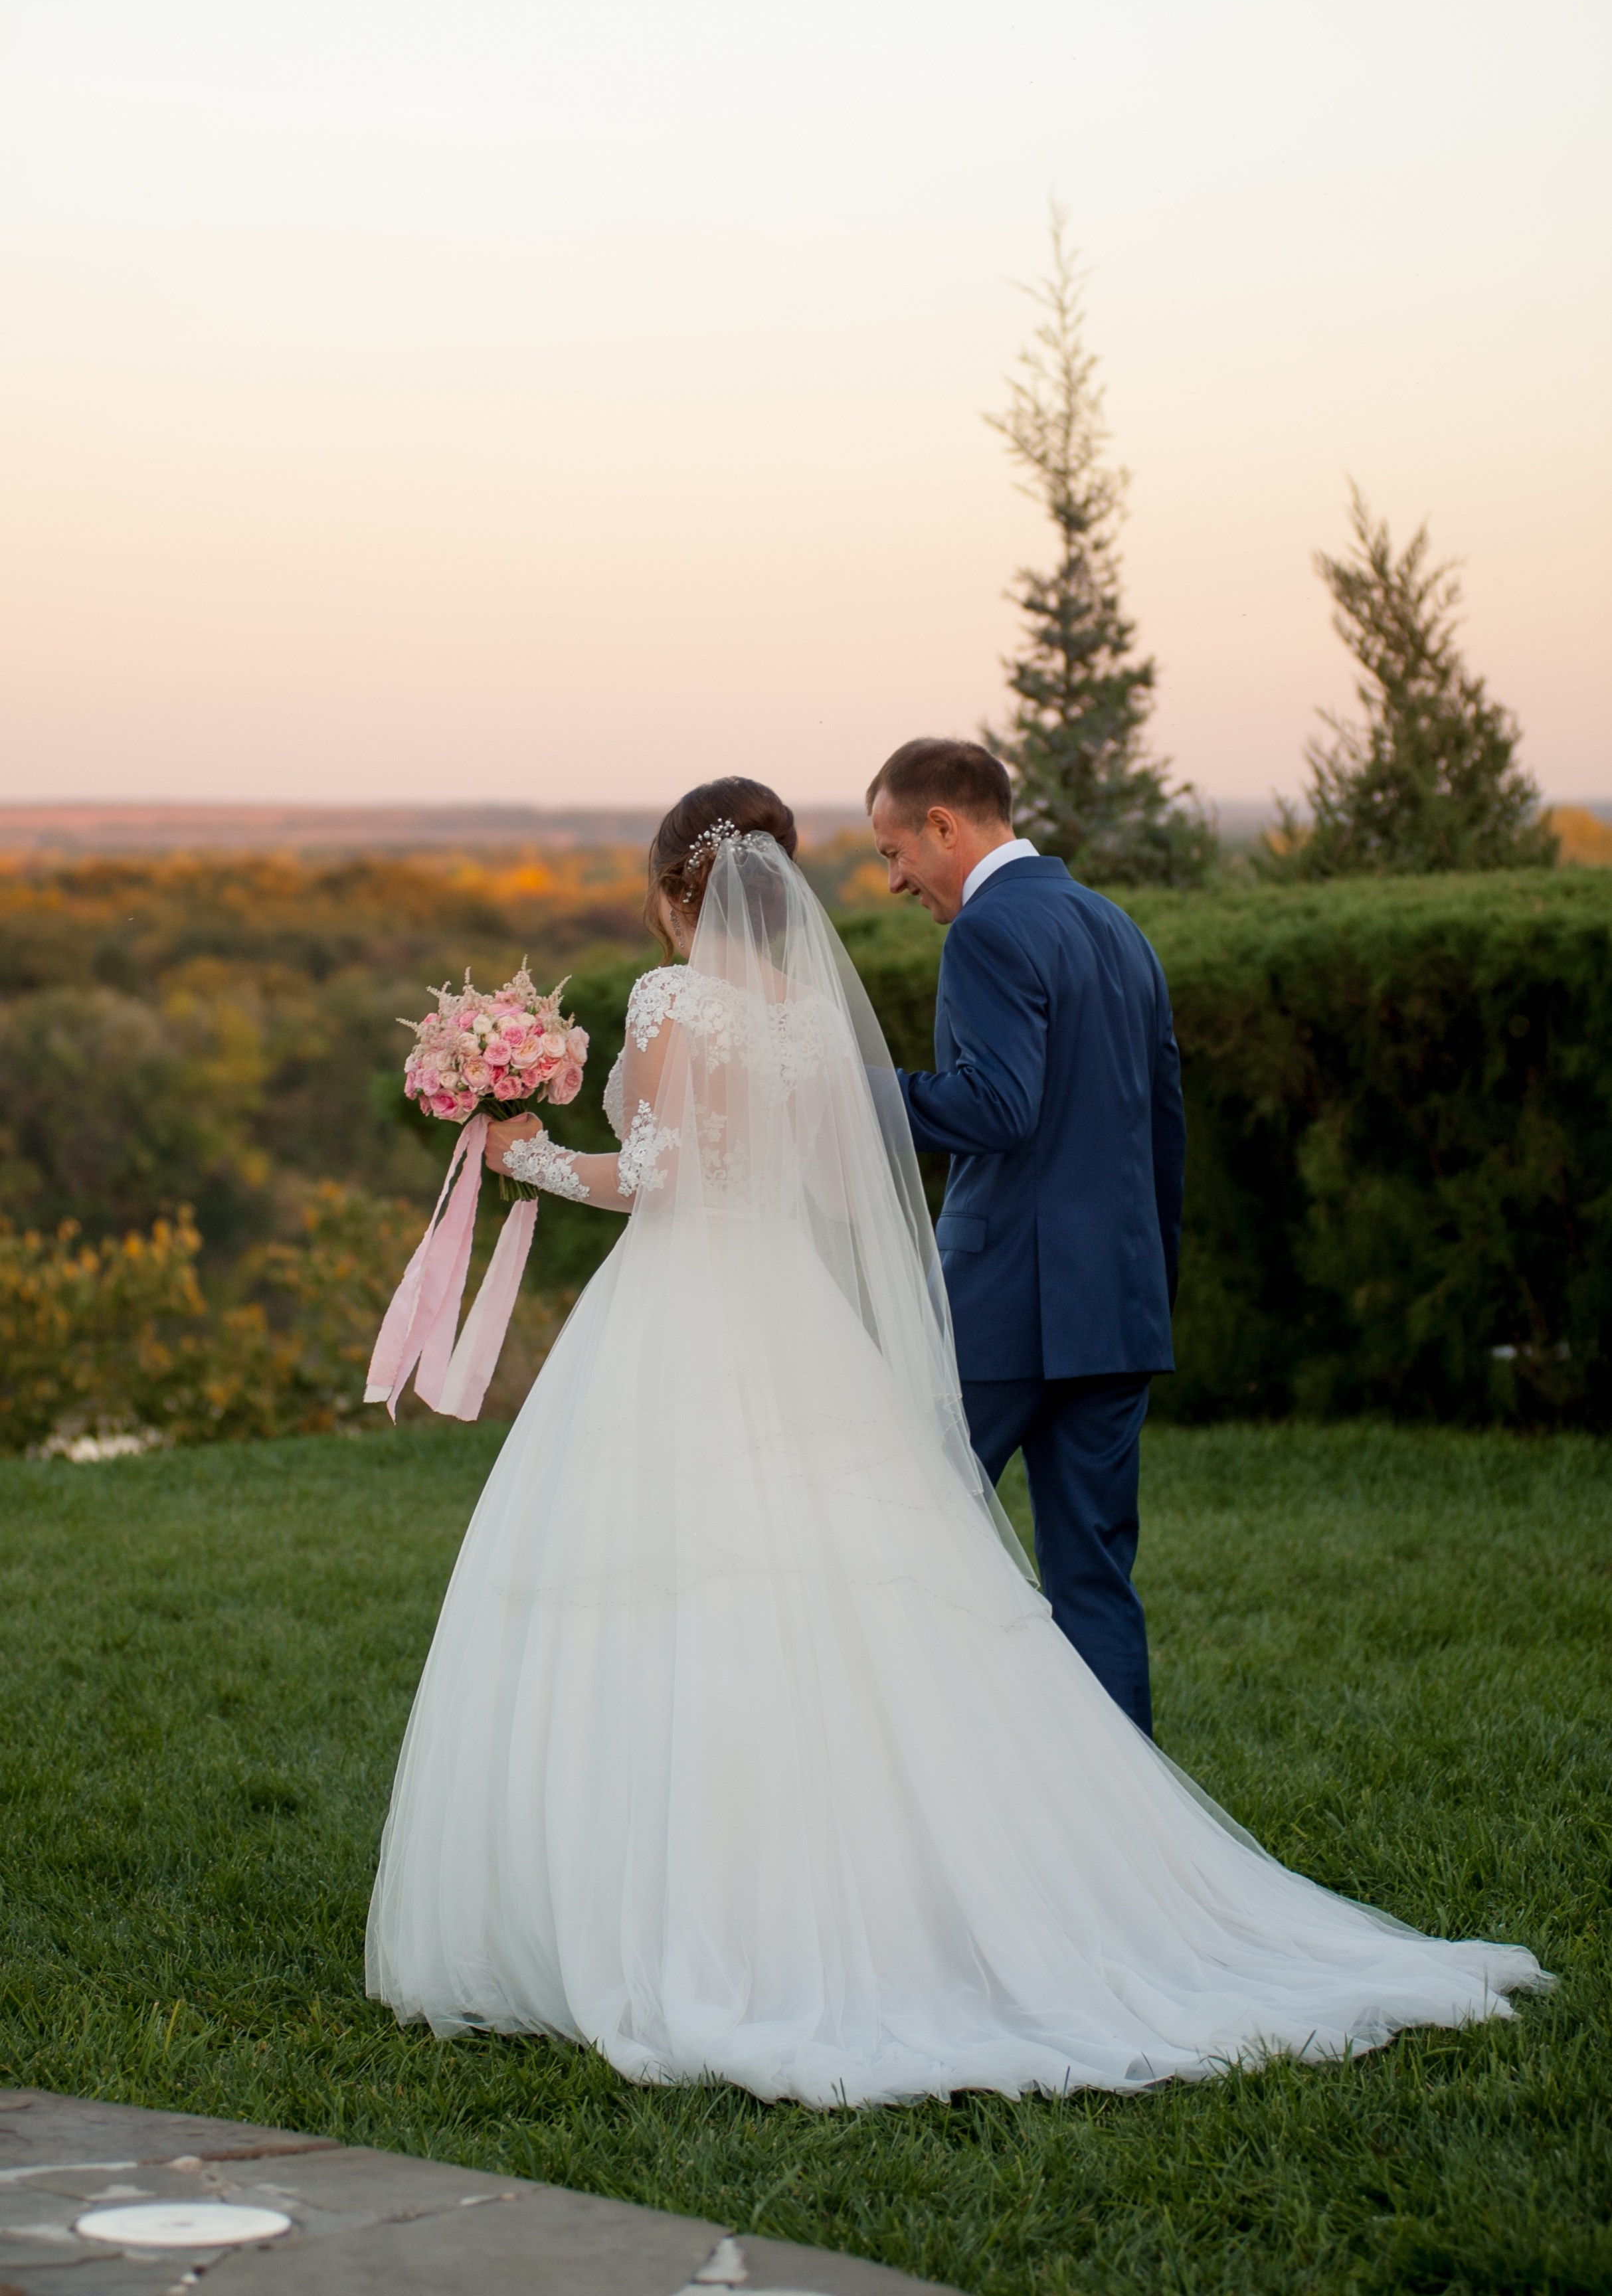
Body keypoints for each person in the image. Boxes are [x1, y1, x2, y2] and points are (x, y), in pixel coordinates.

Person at [367, 774, 1544, 2107]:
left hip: (684, 1316)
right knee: (901, 1595)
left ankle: (697, 1914)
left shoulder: (668, 997)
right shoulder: (812, 1016)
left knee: (664, 1593)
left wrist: (517, 1148)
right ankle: (991, 1869)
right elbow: (822, 1183)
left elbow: (654, 1180)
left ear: (666, 886)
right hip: (800, 1322)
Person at [865, 737, 1181, 1735]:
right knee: (1094, 1578)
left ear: (944, 826)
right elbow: (1162, 1125)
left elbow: (995, 1107)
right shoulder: (1115, 925)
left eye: (894, 851)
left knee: (902, 1532)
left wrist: (833, 1090)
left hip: (1009, 1304)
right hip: (1115, 1306)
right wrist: (1146, 1285)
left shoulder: (989, 934)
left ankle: (925, 1781)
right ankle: (1124, 1837)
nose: (892, 881)